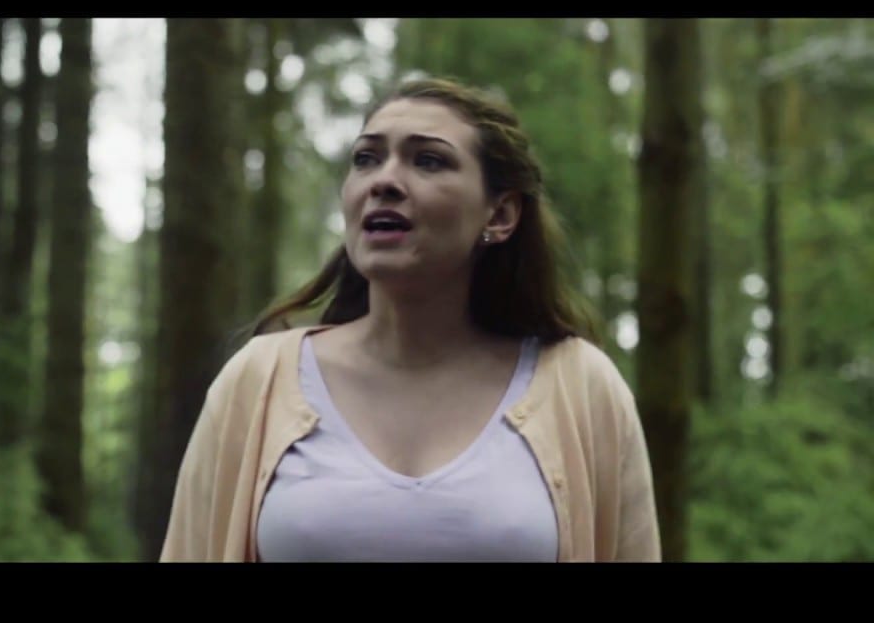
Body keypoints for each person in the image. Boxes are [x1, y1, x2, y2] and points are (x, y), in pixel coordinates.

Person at [159, 76, 660, 562]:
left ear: (500, 215)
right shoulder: (260, 381)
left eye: (428, 160)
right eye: (366, 159)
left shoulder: (580, 387)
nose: (384, 181)